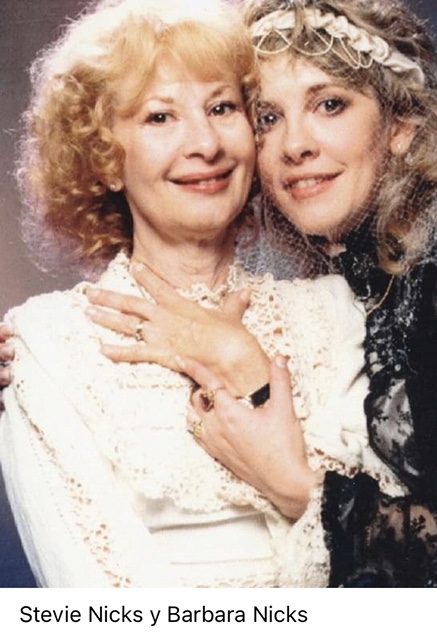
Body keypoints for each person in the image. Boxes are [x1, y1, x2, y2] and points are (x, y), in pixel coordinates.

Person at [79, 0, 437, 587]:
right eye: (268, 117)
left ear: (402, 127)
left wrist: (298, 488)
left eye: (329, 104)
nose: (295, 144)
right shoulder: (357, 285)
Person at [0, 0, 401, 588]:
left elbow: (397, 564)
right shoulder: (44, 345)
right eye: (160, 117)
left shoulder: (336, 313)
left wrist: (246, 366)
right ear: (104, 157)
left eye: (222, 108)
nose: (205, 144)